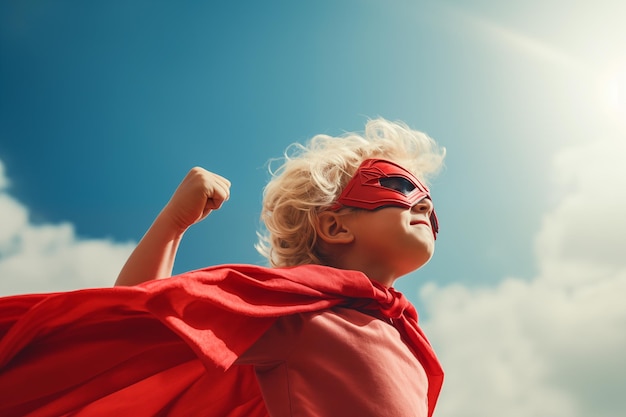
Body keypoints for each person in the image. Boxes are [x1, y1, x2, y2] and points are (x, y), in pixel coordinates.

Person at [0, 118, 445, 417]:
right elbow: (132, 324)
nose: (425, 202)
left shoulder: (413, 346)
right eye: (398, 185)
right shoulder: (301, 314)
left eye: (430, 198)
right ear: (332, 225)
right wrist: (172, 225)